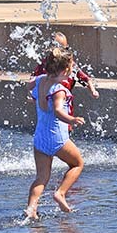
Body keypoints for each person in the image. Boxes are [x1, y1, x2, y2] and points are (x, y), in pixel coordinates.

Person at [25, 47, 85, 220]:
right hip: (56, 136)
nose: (73, 70)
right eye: (72, 67)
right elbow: (58, 111)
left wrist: (34, 97)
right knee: (77, 164)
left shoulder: (40, 80)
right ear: (65, 70)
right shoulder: (59, 89)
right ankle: (60, 193)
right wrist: (72, 119)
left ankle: (31, 209)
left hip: (40, 138)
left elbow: (28, 86)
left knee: (42, 177)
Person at [32, 31, 100, 103]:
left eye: (66, 49)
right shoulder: (45, 65)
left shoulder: (70, 65)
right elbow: (33, 80)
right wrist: (32, 95)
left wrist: (93, 91)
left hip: (66, 104)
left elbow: (85, 79)